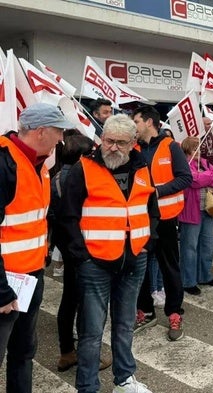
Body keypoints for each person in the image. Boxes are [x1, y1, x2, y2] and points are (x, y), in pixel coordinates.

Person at [59, 114, 158, 393]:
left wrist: (148, 242)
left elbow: (152, 210)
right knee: (91, 331)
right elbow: (67, 216)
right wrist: (81, 255)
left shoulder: (142, 167)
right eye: (108, 140)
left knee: (125, 325)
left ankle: (125, 379)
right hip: (95, 262)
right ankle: (88, 386)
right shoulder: (84, 168)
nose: (112, 147)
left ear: (133, 143)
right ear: (101, 139)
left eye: (120, 142)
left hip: (134, 258)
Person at [0, 103, 71, 392]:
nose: (61, 139)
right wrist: (1, 289)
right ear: (41, 131)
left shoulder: (39, 165)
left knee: (23, 352)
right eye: (59, 132)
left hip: (30, 277)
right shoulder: (5, 162)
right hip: (5, 284)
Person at [49, 131, 113, 373]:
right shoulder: (78, 178)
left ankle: (67, 351)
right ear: (82, 156)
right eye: (90, 153)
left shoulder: (54, 177)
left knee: (69, 299)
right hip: (83, 246)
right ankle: (88, 356)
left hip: (65, 245)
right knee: (86, 303)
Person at [133, 105, 192, 341]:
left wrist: (158, 191)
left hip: (166, 219)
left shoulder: (171, 147)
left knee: (169, 268)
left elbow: (185, 178)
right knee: (141, 268)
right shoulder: (133, 148)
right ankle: (146, 311)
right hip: (140, 219)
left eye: (136, 121)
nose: (133, 126)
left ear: (149, 122)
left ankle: (175, 313)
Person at [178, 137, 213, 295]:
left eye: (199, 146)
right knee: (189, 247)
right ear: (188, 148)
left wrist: (205, 177)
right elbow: (193, 180)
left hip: (208, 210)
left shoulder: (205, 163)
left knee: (207, 245)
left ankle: (205, 275)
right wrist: (208, 177)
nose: (199, 149)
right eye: (195, 146)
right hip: (191, 210)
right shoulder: (184, 163)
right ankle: (188, 280)